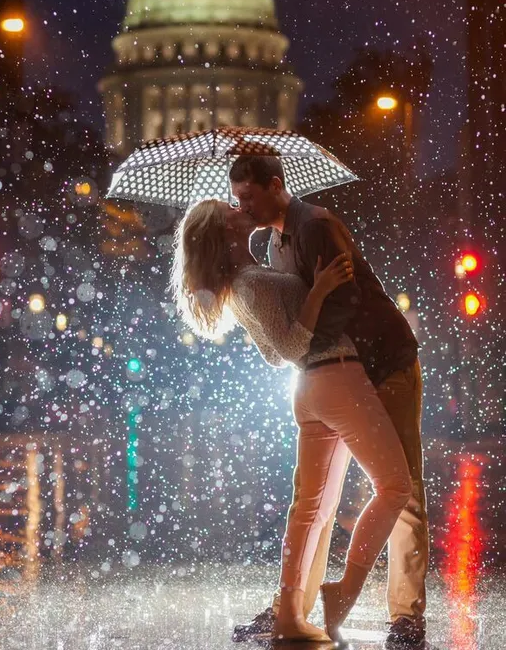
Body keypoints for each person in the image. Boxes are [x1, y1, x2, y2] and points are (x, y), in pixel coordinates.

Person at [171, 199, 412, 642]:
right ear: (225, 231)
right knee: (396, 486)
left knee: (310, 510)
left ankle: (289, 615)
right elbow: (287, 348)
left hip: (312, 389)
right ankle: (342, 591)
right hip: (335, 376)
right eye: (229, 207)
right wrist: (318, 291)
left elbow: (271, 350)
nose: (238, 205)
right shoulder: (250, 283)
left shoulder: (246, 279)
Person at [229, 155, 428, 649]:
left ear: (276, 186)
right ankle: (292, 606)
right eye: (237, 200)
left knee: (401, 487)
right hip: (337, 374)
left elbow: (345, 301)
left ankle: (406, 615)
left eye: (249, 197)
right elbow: (299, 311)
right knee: (316, 498)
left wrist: (307, 347)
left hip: (384, 362)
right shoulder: (271, 244)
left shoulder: (316, 225)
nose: (243, 206)